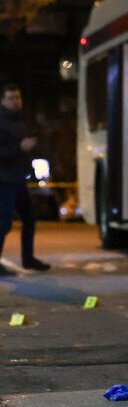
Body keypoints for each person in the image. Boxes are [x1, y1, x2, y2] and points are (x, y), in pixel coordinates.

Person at [0, 84, 51, 274]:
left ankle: (28, 259)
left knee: (29, 217)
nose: (15, 101)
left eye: (18, 97)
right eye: (11, 98)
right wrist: (20, 148)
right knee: (3, 222)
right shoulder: (2, 121)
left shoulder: (20, 122)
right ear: (3, 101)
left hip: (18, 180)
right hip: (4, 181)